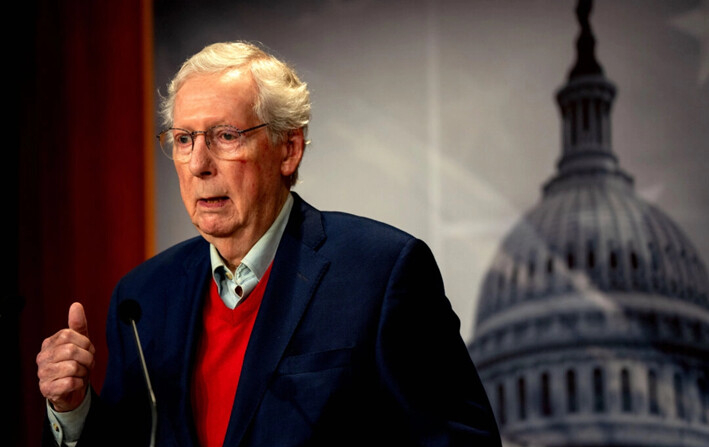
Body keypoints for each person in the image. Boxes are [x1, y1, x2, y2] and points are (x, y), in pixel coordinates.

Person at [37, 41, 500, 447]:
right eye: (183, 139)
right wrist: (72, 410)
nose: (199, 164)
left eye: (225, 136)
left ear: (288, 149)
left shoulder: (381, 273)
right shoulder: (142, 298)